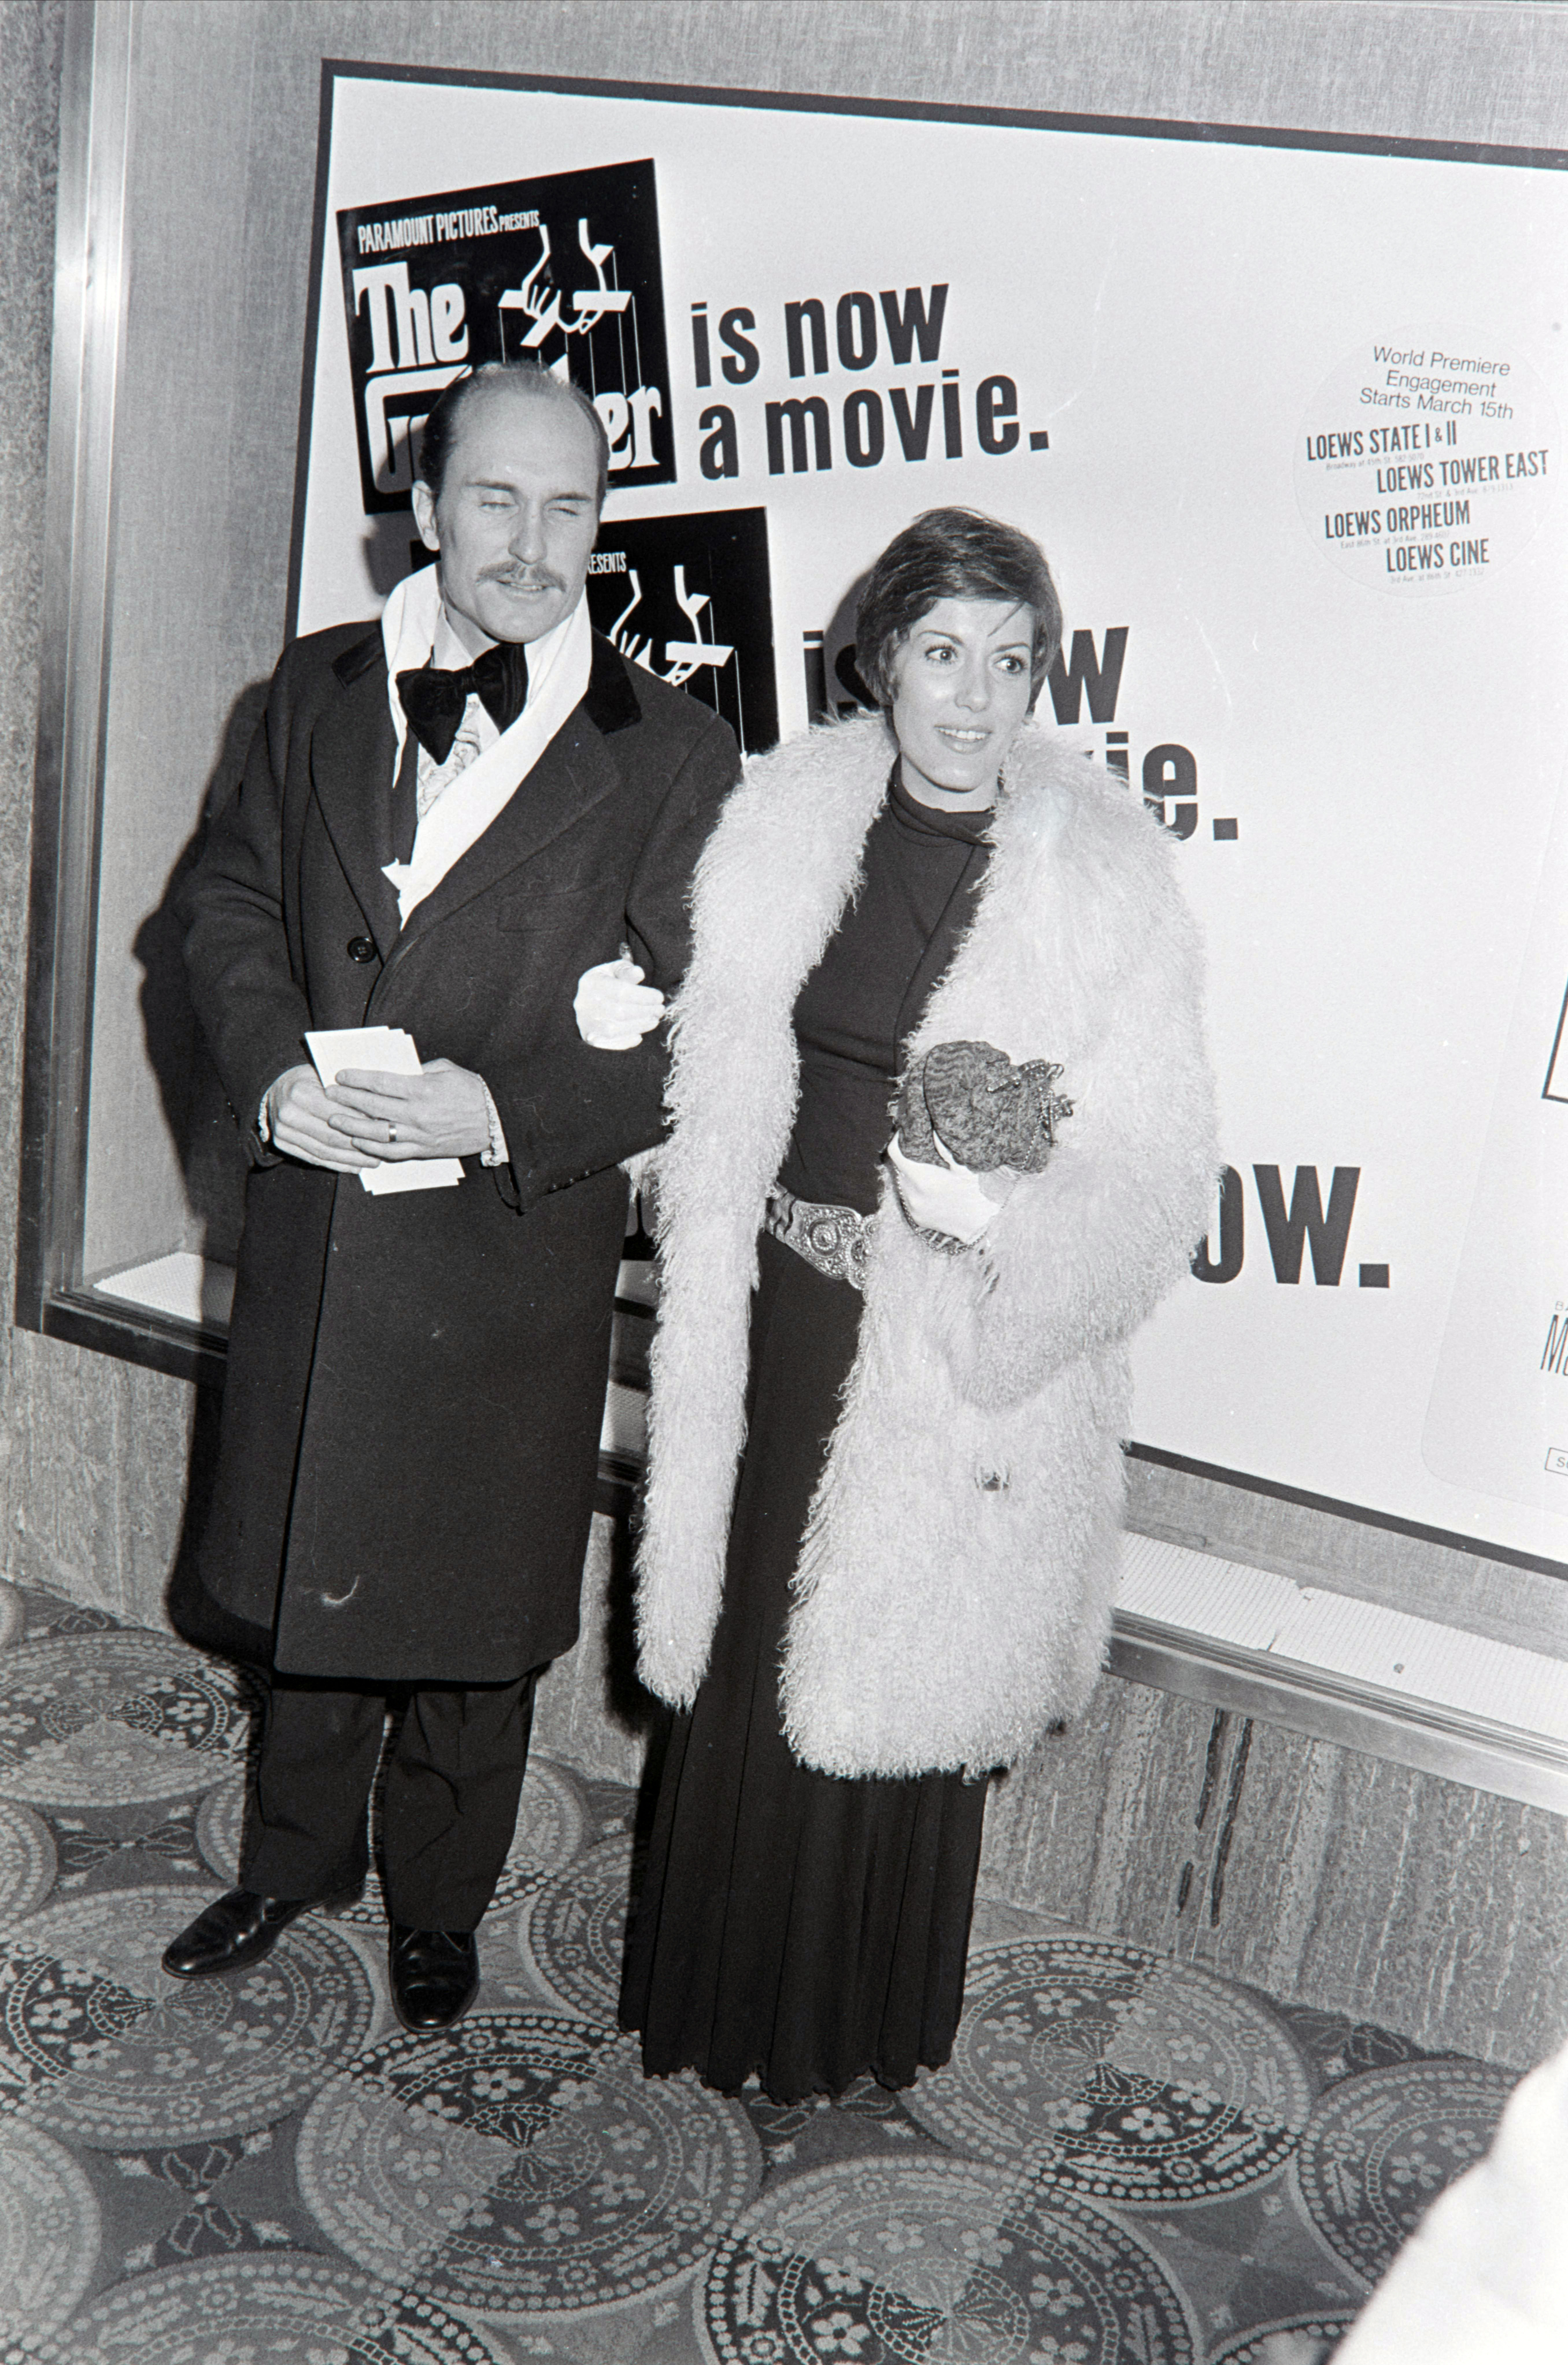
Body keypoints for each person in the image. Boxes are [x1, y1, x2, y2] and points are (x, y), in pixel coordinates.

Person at [162, 361, 739, 2032]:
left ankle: (439, 1906)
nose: (534, 544)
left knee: (477, 1620)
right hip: (326, 1230)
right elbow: (223, 904)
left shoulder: (677, 751)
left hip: (508, 1258)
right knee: (312, 1584)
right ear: (425, 509)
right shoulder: (315, 686)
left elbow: (714, 1026)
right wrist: (273, 1069)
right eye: (498, 499)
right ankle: (289, 1860)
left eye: (572, 508)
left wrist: (511, 1109)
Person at [620, 507, 1218, 2102]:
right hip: (778, 1318)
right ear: (882, 656)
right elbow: (709, 1062)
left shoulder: (1103, 879)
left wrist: (1004, 1229)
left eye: (1011, 661)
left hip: (954, 1347)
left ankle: (851, 2018)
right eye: (944, 652)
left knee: (896, 1661)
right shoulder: (782, 820)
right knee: (754, 1651)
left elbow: (1159, 1183)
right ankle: (714, 1999)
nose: (975, 696)